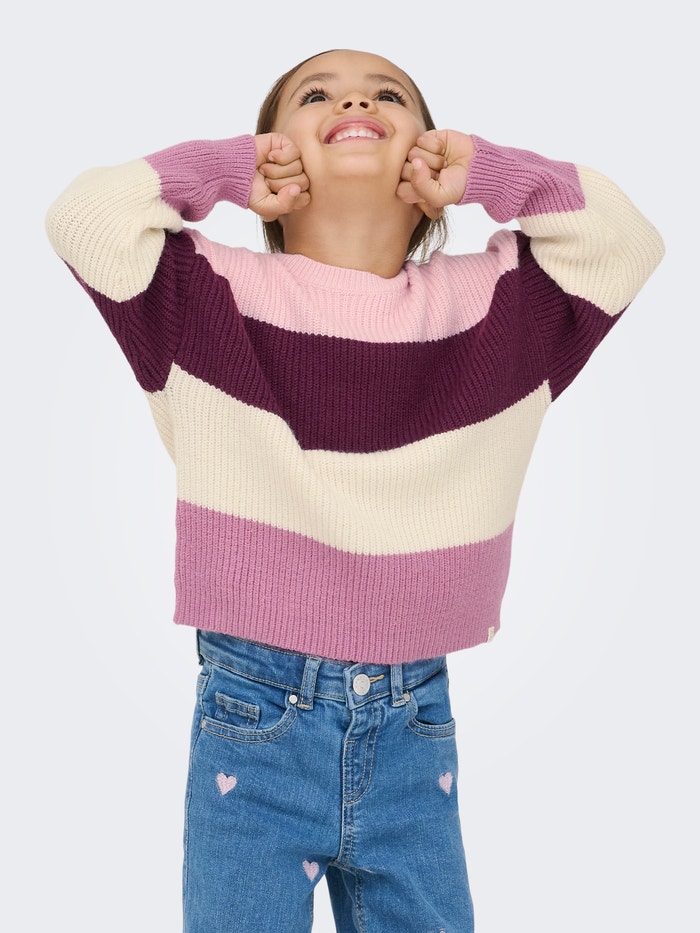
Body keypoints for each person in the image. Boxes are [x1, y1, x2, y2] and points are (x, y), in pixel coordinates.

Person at [45, 48, 664, 933]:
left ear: (428, 166)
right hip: (253, 711)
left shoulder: (501, 307)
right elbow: (85, 217)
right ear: (276, 156)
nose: (355, 101)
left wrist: (490, 172)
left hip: (416, 720)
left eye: (388, 95)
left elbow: (625, 243)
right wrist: (227, 168)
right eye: (316, 95)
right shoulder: (205, 296)